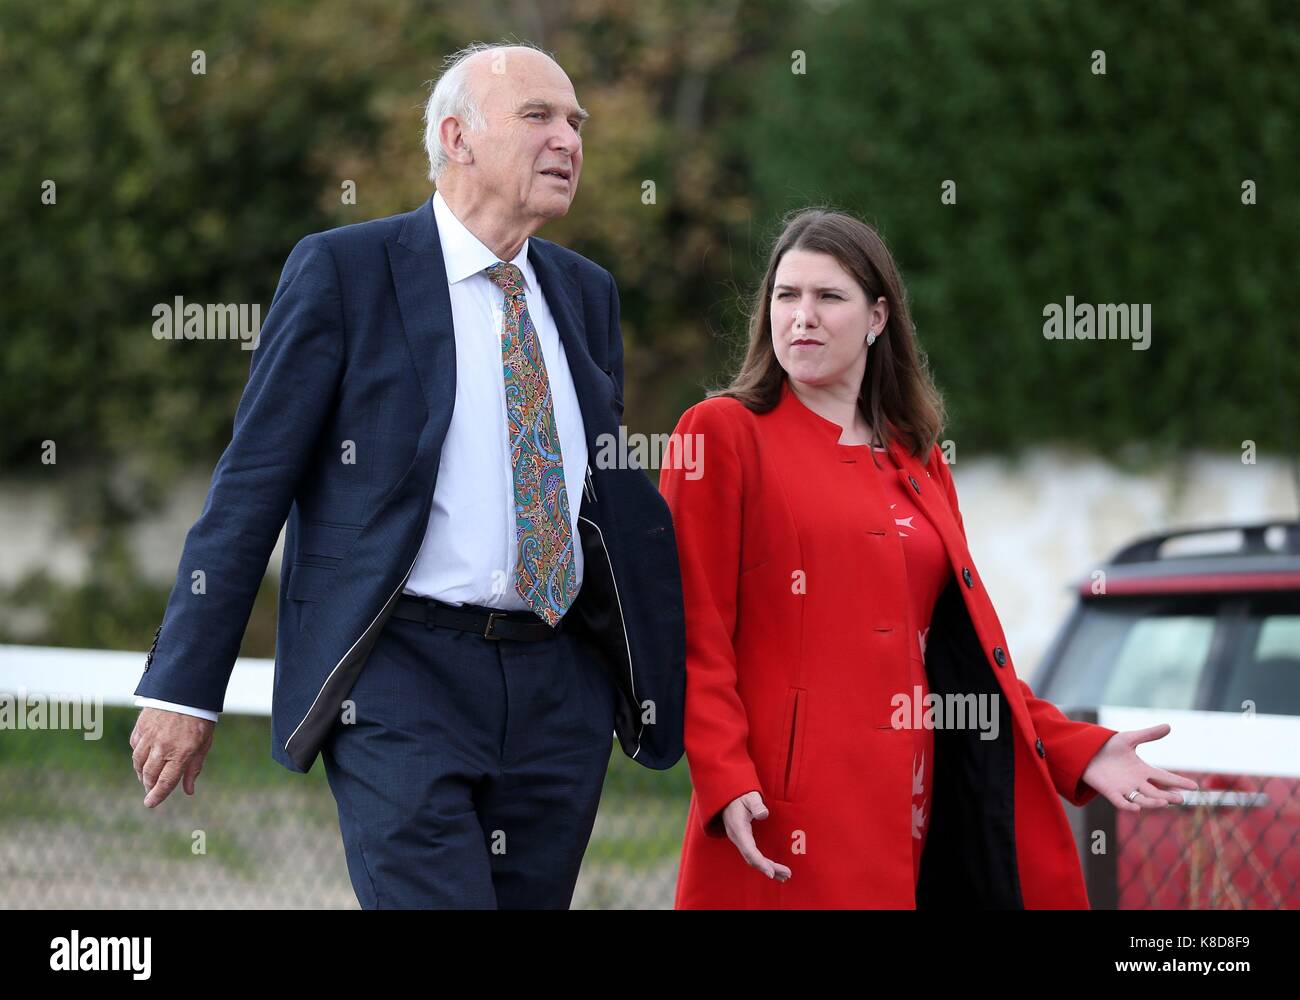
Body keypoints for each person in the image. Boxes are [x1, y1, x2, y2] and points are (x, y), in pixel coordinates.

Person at [129, 41, 685, 909]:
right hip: (400, 680)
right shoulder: (346, 272)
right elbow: (251, 485)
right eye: (538, 116)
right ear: (457, 138)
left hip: (555, 689)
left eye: (576, 122)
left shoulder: (586, 292)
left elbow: (597, 498)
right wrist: (183, 687)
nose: (569, 139)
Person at [658, 208, 1197, 908]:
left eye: (829, 297)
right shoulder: (721, 434)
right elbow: (693, 633)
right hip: (784, 812)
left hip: (926, 803)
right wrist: (726, 777)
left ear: (878, 317)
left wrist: (1079, 747)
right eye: (786, 296)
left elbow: (968, 653)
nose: (802, 316)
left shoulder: (918, 460)